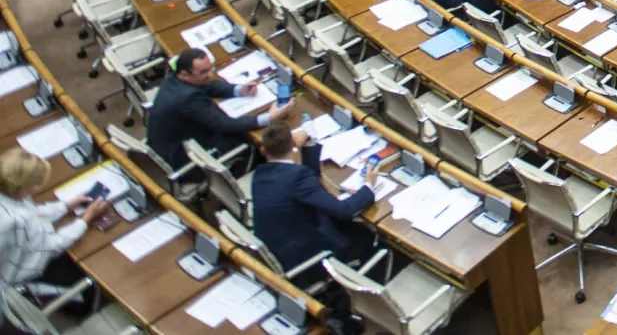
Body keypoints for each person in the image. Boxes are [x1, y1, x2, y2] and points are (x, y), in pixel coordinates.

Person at [250, 120, 378, 274]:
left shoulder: (260, 174)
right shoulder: (296, 178)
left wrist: (308, 147)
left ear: (263, 149)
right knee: (366, 235)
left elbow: (309, 183)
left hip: (276, 244)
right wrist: (368, 186)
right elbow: (344, 210)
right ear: (294, 144)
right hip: (302, 257)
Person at [146, 49, 293, 175]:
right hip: (184, 160)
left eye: (210, 69)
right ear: (185, 74)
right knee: (257, 146)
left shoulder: (175, 76)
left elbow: (207, 85)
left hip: (175, 141)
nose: (210, 75)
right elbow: (224, 124)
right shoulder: (188, 98)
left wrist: (239, 90)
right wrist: (270, 117)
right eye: (204, 72)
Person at [0, 147, 112, 292]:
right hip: (17, 273)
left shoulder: (8, 195)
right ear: (24, 187)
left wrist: (66, 206)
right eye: (36, 183)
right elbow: (53, 246)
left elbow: (33, 211)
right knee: (84, 270)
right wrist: (85, 219)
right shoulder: (19, 221)